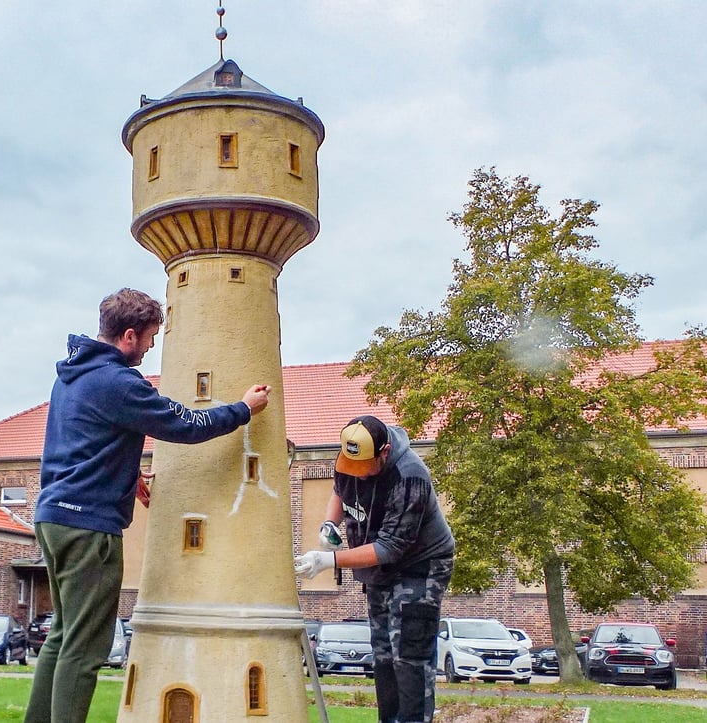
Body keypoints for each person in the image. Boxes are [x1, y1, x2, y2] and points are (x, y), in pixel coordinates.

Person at [24, 288, 271, 723]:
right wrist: (242, 409)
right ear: (130, 336)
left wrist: (127, 473)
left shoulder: (72, 377)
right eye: (151, 337)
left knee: (62, 636)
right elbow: (183, 423)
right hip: (89, 527)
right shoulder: (120, 382)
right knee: (85, 647)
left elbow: (84, 440)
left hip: (53, 517)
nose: (151, 347)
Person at [295, 415, 454, 723]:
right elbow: (340, 491)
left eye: (364, 466)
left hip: (420, 565)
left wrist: (330, 560)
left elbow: (390, 547)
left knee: (408, 652)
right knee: (383, 653)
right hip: (379, 567)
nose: (357, 473)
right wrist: (330, 523)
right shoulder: (350, 456)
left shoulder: (410, 477)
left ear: (384, 451)